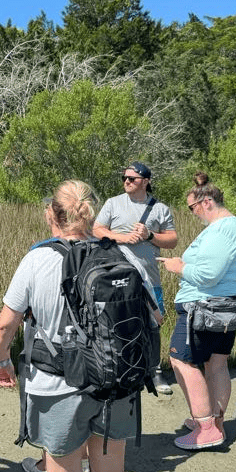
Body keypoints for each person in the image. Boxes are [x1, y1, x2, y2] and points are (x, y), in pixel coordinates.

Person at [0, 180, 144, 472]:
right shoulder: (120, 256)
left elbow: (6, 324)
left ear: (51, 213)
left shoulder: (37, 259)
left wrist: (2, 359)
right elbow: (153, 317)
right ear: (91, 213)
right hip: (114, 379)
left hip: (57, 383)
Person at [158, 172, 236, 450]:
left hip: (205, 305)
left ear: (206, 202)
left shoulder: (222, 229)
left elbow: (208, 274)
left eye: (192, 208)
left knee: (181, 360)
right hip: (221, 305)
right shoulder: (228, 228)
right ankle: (214, 422)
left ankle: (205, 427)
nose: (193, 213)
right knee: (216, 363)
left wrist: (179, 267)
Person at [93, 161, 177, 395]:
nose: (127, 182)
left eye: (132, 179)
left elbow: (172, 240)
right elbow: (97, 230)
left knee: (153, 324)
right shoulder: (113, 203)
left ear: (146, 181)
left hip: (149, 278)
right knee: (117, 323)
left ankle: (155, 371)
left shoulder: (160, 208)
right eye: (125, 178)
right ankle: (121, 369)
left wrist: (150, 235)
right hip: (116, 279)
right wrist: (122, 238)